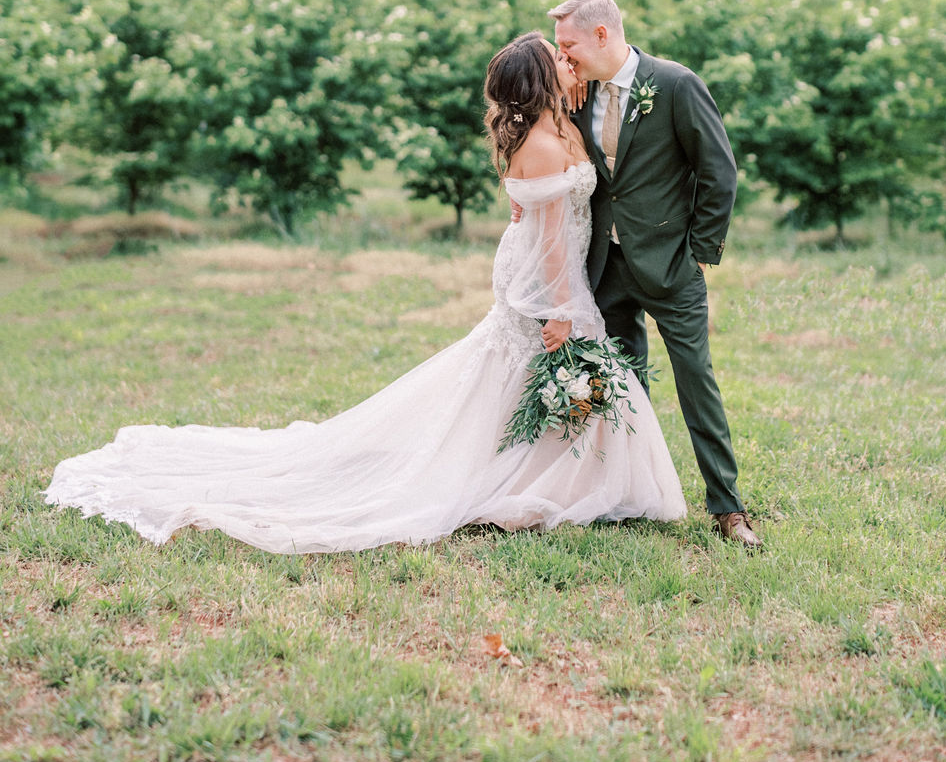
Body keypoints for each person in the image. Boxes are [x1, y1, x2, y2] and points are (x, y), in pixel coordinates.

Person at [45, 32, 685, 554]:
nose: (566, 63)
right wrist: (562, 310)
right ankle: (536, 483)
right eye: (557, 60)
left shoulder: (559, 126)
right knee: (532, 372)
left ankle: (562, 480)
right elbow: (547, 242)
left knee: (527, 382)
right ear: (542, 85)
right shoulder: (544, 145)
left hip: (551, 269)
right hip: (542, 281)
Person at [548, 0, 761, 548]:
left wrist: (700, 251)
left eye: (567, 45)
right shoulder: (578, 92)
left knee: (696, 380)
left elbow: (719, 171)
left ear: (602, 35)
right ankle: (625, 494)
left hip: (672, 266)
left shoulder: (675, 84)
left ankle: (728, 508)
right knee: (617, 381)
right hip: (607, 264)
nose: (561, 55)